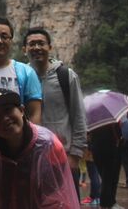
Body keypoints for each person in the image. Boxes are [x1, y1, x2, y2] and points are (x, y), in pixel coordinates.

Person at [0, 88, 80, 208]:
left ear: (22, 110)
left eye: (8, 110)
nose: (5, 119)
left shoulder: (48, 145)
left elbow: (59, 196)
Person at [23, 27, 87, 196]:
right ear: (24, 49)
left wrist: (75, 155)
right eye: (32, 44)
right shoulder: (21, 76)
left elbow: (79, 116)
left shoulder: (66, 76)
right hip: (30, 157)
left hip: (62, 157)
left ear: (50, 47)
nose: (37, 47)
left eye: (41, 43)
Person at [89, 122, 123, 209]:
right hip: (110, 149)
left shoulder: (93, 120)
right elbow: (118, 133)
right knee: (110, 178)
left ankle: (108, 202)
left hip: (96, 149)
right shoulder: (110, 120)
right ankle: (108, 203)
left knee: (105, 177)